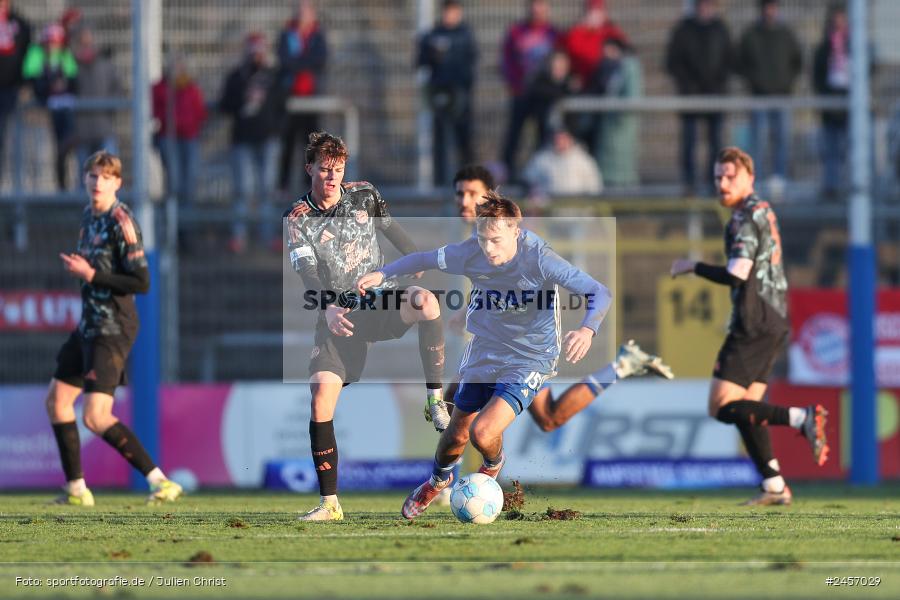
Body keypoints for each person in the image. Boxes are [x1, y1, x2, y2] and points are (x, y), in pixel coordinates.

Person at [356, 193, 610, 519]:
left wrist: (587, 330)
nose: (488, 248)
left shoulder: (540, 258)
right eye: (482, 239)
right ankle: (437, 481)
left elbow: (599, 292)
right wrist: (383, 274)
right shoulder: (469, 253)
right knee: (456, 433)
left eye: (496, 240)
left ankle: (493, 463)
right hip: (485, 348)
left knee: (483, 433)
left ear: (516, 231)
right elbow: (423, 259)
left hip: (531, 356)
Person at [284, 132, 448, 522]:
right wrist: (327, 307)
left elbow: (391, 229)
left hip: (380, 299)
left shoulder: (364, 194)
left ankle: (434, 399)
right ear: (309, 168)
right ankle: (330, 504)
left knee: (427, 302)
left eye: (338, 170)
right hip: (339, 313)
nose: (332, 178)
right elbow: (308, 273)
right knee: (320, 397)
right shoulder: (298, 218)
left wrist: (414, 258)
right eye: (324, 169)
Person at [447, 165, 671, 435]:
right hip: (503, 342)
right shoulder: (480, 238)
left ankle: (466, 463)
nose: (464, 201)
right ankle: (623, 366)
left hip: (525, 344)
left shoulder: (507, 234)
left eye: (473, 194)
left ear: (490, 197)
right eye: (460, 194)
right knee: (548, 418)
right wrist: (469, 309)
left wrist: (586, 330)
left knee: (455, 405)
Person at [670, 147, 828, 506]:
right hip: (773, 318)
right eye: (718, 177)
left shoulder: (745, 217)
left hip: (754, 321)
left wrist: (692, 266)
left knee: (720, 406)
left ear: (750, 178)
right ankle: (774, 485)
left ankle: (802, 417)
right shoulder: (763, 210)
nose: (723, 183)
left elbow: (737, 273)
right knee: (748, 409)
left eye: (731, 176)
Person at [46, 151, 182, 506]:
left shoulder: (122, 221)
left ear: (117, 183)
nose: (98, 182)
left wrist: (91, 274)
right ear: (84, 179)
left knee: (95, 416)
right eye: (93, 175)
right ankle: (77, 489)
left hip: (113, 327)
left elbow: (141, 281)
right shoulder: (89, 216)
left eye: (106, 177)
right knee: (57, 402)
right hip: (89, 324)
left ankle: (161, 482)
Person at [219, 32, 284, 253]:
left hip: (268, 139)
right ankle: (239, 235)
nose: (256, 54)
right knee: (243, 189)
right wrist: (244, 98)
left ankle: (268, 235)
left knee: (267, 189)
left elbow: (282, 104)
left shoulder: (273, 76)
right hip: (243, 140)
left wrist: (275, 129)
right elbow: (225, 105)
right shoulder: (237, 77)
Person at [665, 0, 733, 195]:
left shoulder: (720, 29)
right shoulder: (683, 30)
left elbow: (729, 60)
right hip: (690, 96)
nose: (705, 8)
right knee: (689, 142)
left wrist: (717, 84)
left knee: (716, 143)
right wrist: (688, 85)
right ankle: (689, 183)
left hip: (715, 95)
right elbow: (673, 62)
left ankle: (715, 183)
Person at [737, 0, 802, 196]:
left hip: (782, 95)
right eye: (767, 7)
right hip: (759, 96)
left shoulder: (786, 34)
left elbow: (797, 62)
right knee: (758, 140)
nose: (770, 11)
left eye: (773, 7)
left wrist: (787, 83)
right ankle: (754, 180)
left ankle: (780, 179)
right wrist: (754, 82)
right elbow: (740, 63)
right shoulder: (751, 34)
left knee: (782, 138)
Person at [417, 0, 478, 186]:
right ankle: (440, 183)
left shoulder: (465, 35)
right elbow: (421, 61)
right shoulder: (433, 35)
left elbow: (471, 62)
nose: (449, 16)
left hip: (460, 95)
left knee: (464, 140)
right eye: (447, 12)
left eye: (453, 12)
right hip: (440, 94)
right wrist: (432, 55)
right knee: (440, 140)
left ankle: (469, 181)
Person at [499, 0, 559, 182]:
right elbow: (507, 61)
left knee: (543, 135)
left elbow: (559, 63)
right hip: (522, 93)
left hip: (542, 96)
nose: (537, 10)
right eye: (534, 5)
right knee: (514, 135)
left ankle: (540, 175)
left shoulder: (553, 33)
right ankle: (508, 173)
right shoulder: (516, 32)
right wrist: (516, 84)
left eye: (541, 5)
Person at [560, 0, 628, 152]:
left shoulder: (610, 32)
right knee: (582, 131)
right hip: (583, 93)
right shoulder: (577, 33)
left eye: (598, 11)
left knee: (602, 136)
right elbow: (569, 51)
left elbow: (623, 50)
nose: (594, 15)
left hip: (605, 95)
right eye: (591, 11)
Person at [276, 0, 327, 196]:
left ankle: (310, 185)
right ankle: (283, 185)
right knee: (288, 140)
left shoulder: (318, 36)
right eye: (300, 10)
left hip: (312, 97)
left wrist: (299, 63)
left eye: (306, 10)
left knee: (312, 143)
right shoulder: (287, 34)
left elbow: (319, 59)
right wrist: (303, 63)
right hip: (291, 96)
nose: (302, 14)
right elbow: (284, 60)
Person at [22, 22, 77, 190]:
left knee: (64, 148)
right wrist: (48, 87)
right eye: (50, 42)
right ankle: (39, 188)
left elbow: (73, 81)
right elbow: (31, 80)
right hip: (42, 114)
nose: (52, 47)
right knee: (40, 151)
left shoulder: (65, 57)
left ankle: (63, 186)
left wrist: (62, 85)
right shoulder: (36, 56)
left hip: (62, 112)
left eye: (56, 43)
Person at [151, 55, 207, 205]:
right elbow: (155, 110)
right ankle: (173, 212)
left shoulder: (191, 88)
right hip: (168, 136)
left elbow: (199, 112)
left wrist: (190, 125)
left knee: (190, 175)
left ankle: (187, 213)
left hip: (189, 137)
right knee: (174, 176)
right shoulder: (160, 88)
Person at [587, 38, 642, 187]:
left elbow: (632, 96)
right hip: (608, 124)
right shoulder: (607, 68)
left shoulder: (629, 67)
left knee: (621, 163)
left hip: (621, 124)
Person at [812, 3, 850, 200]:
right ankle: (831, 187)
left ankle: (848, 186)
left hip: (849, 105)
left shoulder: (853, 46)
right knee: (830, 149)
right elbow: (817, 74)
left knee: (848, 148)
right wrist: (824, 95)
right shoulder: (824, 47)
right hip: (830, 105)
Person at [72, 27, 121, 169]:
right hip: (81, 132)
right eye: (82, 43)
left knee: (108, 171)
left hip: (104, 129)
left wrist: (110, 108)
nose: (86, 47)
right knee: (85, 173)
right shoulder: (72, 66)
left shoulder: (106, 66)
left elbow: (117, 89)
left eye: (88, 43)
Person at [522, 128, 603, 200]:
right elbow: (529, 179)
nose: (560, 142)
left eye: (563, 139)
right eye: (557, 139)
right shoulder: (542, 159)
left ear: (570, 139)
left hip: (577, 206)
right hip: (550, 205)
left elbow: (594, 185)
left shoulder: (583, 160)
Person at [0, 0, 31, 186]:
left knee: (8, 138)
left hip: (10, 91)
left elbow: (29, 56)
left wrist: (25, 84)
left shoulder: (20, 24)